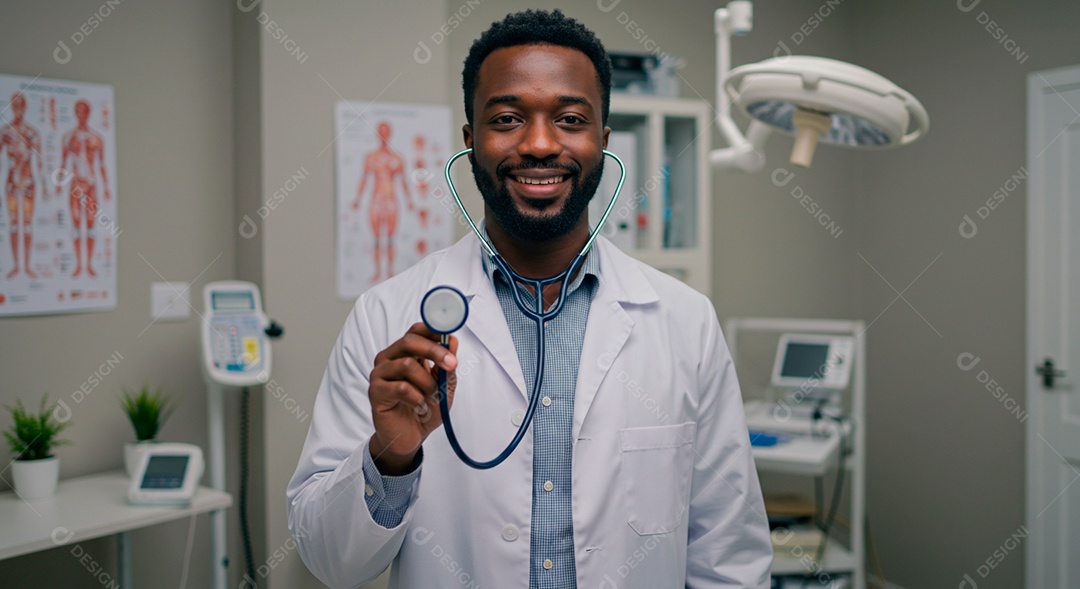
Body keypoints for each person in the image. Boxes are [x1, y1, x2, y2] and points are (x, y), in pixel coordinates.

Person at [288, 9, 772, 588]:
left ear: (602, 141)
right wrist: (389, 456)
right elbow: (330, 562)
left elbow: (728, 557)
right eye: (507, 119)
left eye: (570, 119)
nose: (540, 144)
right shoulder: (385, 316)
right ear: (471, 142)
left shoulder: (684, 320)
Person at [351, 121, 416, 282]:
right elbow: (364, 178)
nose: (383, 135)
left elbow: (403, 181)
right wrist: (357, 199)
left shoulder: (397, 157)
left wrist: (409, 200)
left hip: (391, 199)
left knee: (391, 237)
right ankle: (378, 272)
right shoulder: (371, 157)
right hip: (376, 198)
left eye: (386, 132)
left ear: (390, 134)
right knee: (377, 238)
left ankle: (391, 271)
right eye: (381, 131)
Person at [57, 99, 111, 278]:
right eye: (78, 111)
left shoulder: (97, 139)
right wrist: (59, 184)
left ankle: (89, 265)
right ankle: (78, 265)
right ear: (75, 113)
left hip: (91, 184)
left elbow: (102, 164)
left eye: (84, 111)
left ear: (88, 113)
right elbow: (63, 162)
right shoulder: (68, 137)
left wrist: (106, 187)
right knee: (75, 224)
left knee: (90, 225)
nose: (81, 115)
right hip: (75, 184)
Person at [1, 92, 45, 279]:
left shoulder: (32, 133)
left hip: (28, 183)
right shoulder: (5, 132)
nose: (18, 109)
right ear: (12, 107)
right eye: (15, 105)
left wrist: (46, 186)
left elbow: (40, 163)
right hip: (11, 182)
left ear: (25, 107)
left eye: (21, 105)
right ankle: (15, 265)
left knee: (26, 224)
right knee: (13, 224)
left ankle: (26, 266)